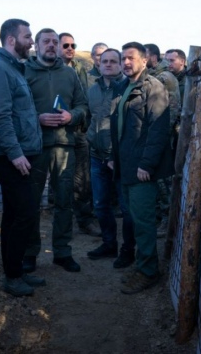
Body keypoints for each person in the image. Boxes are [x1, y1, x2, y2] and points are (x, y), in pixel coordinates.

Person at [0, 18, 46, 296]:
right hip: (9, 157)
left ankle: (15, 270)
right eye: (27, 37)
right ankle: (13, 277)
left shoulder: (13, 68)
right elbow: (1, 117)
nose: (31, 42)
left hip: (17, 154)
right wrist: (16, 154)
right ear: (11, 39)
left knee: (13, 214)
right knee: (25, 214)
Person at [22, 28, 88, 273]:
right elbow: (16, 108)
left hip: (63, 145)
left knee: (64, 201)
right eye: (46, 41)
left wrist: (72, 116)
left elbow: (82, 105)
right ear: (36, 46)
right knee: (31, 202)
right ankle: (30, 253)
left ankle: (62, 252)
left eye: (54, 42)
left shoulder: (69, 74)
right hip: (35, 146)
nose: (51, 45)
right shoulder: (24, 71)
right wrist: (37, 118)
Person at [110, 41, 173, 294]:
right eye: (123, 58)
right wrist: (114, 157)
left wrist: (147, 164)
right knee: (136, 220)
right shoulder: (124, 87)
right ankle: (143, 264)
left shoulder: (153, 87)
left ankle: (149, 272)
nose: (126, 63)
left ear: (144, 61)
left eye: (131, 58)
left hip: (141, 170)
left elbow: (158, 129)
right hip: (126, 166)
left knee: (144, 222)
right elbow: (120, 128)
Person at [86, 49, 137, 269]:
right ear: (98, 64)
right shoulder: (93, 90)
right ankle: (109, 244)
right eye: (104, 61)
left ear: (120, 64)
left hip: (119, 160)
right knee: (100, 204)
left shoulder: (128, 89)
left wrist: (114, 155)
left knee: (126, 208)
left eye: (113, 61)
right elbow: (92, 118)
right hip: (96, 157)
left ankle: (128, 250)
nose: (108, 64)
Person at [58, 32, 101, 237]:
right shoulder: (50, 70)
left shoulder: (79, 69)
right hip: (57, 131)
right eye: (65, 45)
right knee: (59, 178)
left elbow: (83, 98)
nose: (70, 48)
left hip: (79, 129)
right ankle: (61, 221)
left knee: (83, 178)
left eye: (73, 45)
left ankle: (84, 220)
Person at [144, 43, 180, 238]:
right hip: (160, 136)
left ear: (153, 57)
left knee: (163, 180)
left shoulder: (163, 78)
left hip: (163, 137)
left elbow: (171, 109)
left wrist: (160, 137)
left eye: (145, 56)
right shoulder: (158, 75)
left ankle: (167, 220)